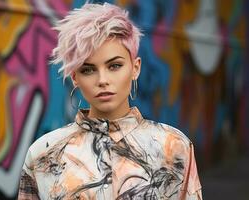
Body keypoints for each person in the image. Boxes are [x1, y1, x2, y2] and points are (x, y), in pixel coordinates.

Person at [18, 2, 202, 200]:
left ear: (135, 68)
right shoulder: (44, 154)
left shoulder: (173, 147)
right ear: (75, 78)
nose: (102, 80)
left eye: (114, 66)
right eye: (88, 70)